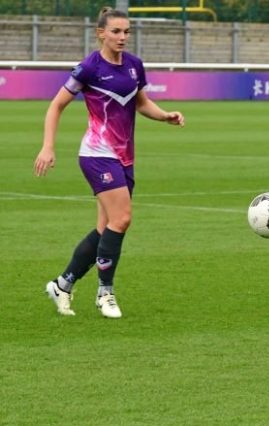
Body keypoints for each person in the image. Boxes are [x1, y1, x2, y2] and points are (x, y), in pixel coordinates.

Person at [35, 6, 184, 319]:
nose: (122, 37)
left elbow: (141, 102)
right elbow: (56, 106)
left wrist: (164, 116)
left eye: (126, 31)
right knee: (123, 218)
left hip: (124, 157)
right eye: (116, 31)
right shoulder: (89, 67)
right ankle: (106, 293)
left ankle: (62, 285)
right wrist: (48, 146)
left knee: (106, 229)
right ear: (100, 33)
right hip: (96, 154)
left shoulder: (134, 65)